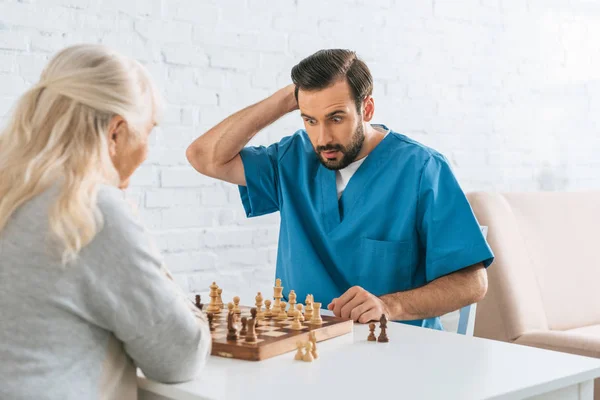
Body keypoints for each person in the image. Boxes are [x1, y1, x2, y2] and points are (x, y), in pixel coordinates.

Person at [186, 49, 494, 331]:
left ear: (367, 109)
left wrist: (389, 304)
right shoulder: (293, 158)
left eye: (336, 118)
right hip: (304, 349)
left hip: (394, 353)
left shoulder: (422, 169)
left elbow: (472, 282)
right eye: (310, 120)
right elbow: (204, 156)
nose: (323, 138)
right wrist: (284, 100)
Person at [0, 44, 211, 399]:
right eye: (148, 131)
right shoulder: (89, 209)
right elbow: (180, 357)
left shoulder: (12, 193)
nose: (146, 148)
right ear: (115, 133)